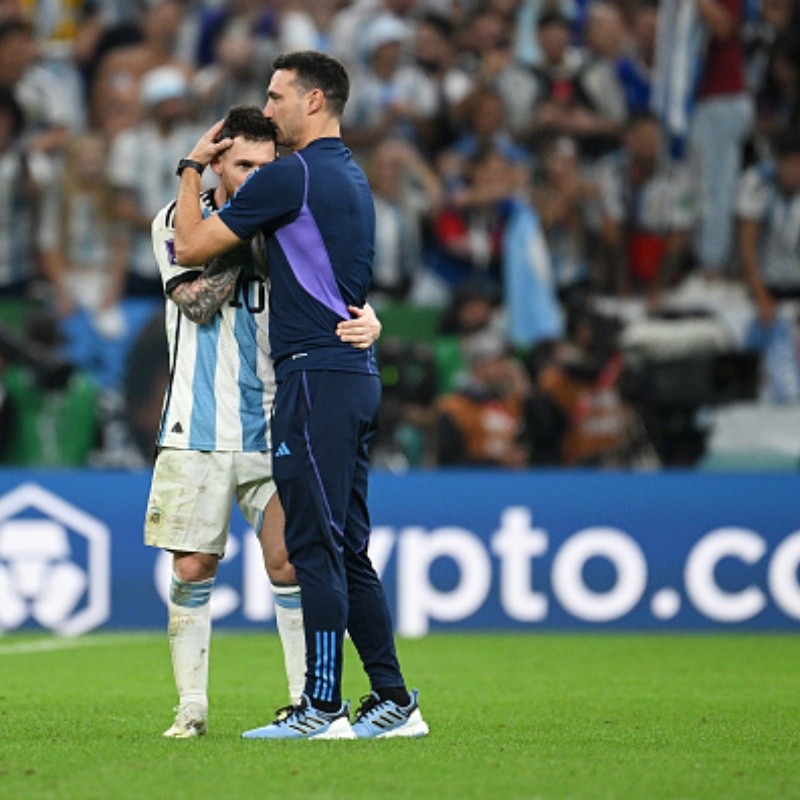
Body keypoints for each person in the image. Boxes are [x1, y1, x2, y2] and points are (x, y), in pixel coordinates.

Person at [172, 50, 428, 740]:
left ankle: (322, 706)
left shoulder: (292, 177)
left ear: (315, 101)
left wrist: (192, 165)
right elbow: (341, 280)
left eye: (279, 95)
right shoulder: (351, 179)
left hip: (313, 377)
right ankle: (395, 702)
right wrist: (366, 319)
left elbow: (189, 244)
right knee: (346, 547)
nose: (270, 105)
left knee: (314, 545)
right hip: (352, 373)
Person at [144, 104, 382, 739]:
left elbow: (332, 283)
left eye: (265, 167)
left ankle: (306, 702)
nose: (254, 178)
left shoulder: (284, 217)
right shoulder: (175, 221)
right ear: (215, 163)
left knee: (289, 562)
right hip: (195, 428)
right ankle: (191, 707)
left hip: (276, 420)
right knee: (192, 567)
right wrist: (246, 230)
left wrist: (371, 317)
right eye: (242, 165)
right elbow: (195, 302)